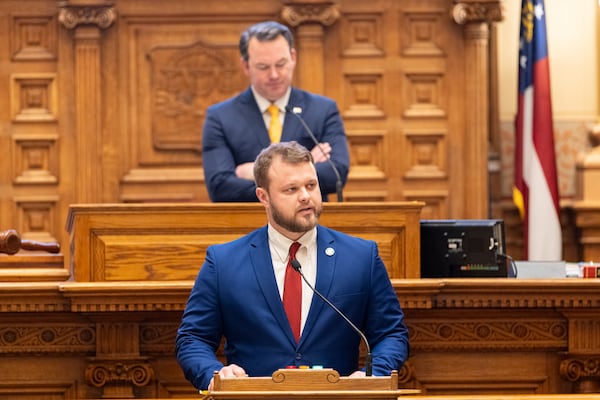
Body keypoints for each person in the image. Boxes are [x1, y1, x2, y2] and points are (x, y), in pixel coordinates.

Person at [176, 141, 409, 391]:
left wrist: (372, 376)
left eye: (311, 185)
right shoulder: (224, 261)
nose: (306, 196)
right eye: (291, 189)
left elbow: (391, 334)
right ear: (263, 197)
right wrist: (216, 375)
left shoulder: (361, 257)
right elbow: (193, 339)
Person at [202, 20, 350, 202]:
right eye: (263, 67)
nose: (274, 75)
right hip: (248, 224)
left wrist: (255, 171)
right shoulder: (220, 117)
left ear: (293, 57)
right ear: (246, 66)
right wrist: (306, 167)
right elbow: (220, 186)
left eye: (281, 64)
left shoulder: (322, 110)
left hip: (310, 224)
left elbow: (336, 174)